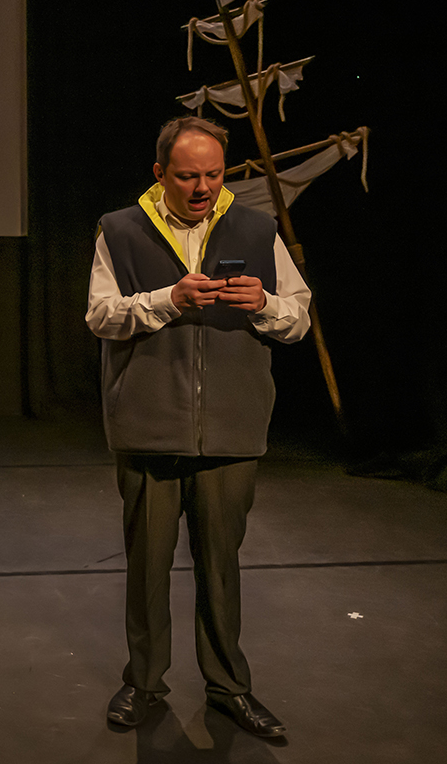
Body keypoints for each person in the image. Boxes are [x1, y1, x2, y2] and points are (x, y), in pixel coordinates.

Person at [85, 117, 310, 738]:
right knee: (147, 567)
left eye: (214, 174)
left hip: (232, 428)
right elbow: (100, 316)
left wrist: (263, 304)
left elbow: (298, 317)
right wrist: (169, 299)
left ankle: (229, 687)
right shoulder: (119, 229)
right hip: (148, 425)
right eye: (188, 176)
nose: (203, 187)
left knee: (220, 567)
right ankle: (143, 682)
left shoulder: (257, 228)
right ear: (161, 174)